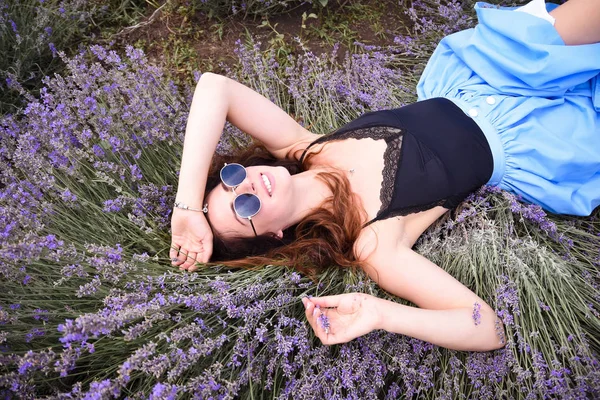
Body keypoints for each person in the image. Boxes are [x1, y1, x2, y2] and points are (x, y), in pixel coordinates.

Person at [169, 0, 600, 352]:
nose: (246, 186)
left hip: (492, 73)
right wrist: (380, 314)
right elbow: (485, 327)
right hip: (534, 137)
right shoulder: (373, 241)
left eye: (231, 178)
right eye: (245, 206)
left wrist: (187, 207)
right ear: (275, 235)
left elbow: (214, 87)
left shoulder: (304, 146)